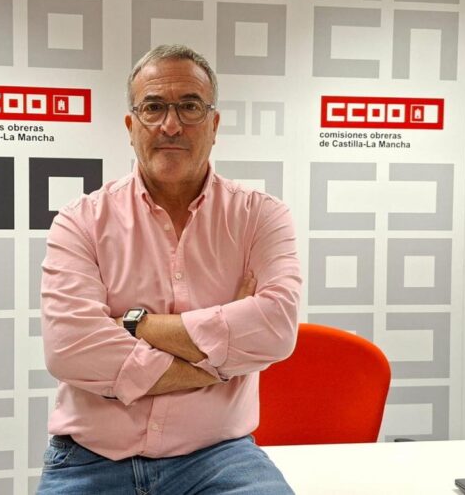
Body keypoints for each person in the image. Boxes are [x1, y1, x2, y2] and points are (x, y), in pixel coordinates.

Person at [37, 44, 302, 494]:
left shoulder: (261, 217)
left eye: (190, 107)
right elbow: (71, 349)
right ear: (131, 126)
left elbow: (275, 329)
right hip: (89, 459)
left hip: (219, 456)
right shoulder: (80, 221)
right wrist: (217, 363)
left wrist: (137, 325)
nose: (171, 125)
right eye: (153, 107)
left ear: (214, 125)